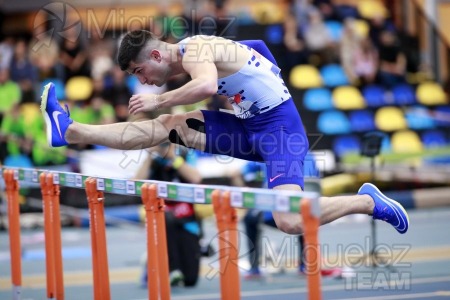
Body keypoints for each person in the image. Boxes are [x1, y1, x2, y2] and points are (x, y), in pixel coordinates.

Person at [40, 30, 409, 235]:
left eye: (139, 72)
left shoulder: (195, 49)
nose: (143, 82)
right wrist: (265, 71)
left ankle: (368, 202)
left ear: (154, 57)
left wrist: (159, 99)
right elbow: (256, 48)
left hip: (280, 129)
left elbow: (205, 85)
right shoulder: (205, 49)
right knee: (168, 129)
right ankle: (70, 130)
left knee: (290, 222)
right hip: (248, 126)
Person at [136, 142, 202, 287]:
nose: (164, 146)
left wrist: (174, 158)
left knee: (190, 280)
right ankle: (171, 268)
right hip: (162, 218)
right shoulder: (154, 160)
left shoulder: (185, 154)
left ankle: (155, 261)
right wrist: (148, 156)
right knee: (166, 217)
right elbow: (135, 184)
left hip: (187, 221)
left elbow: (196, 178)